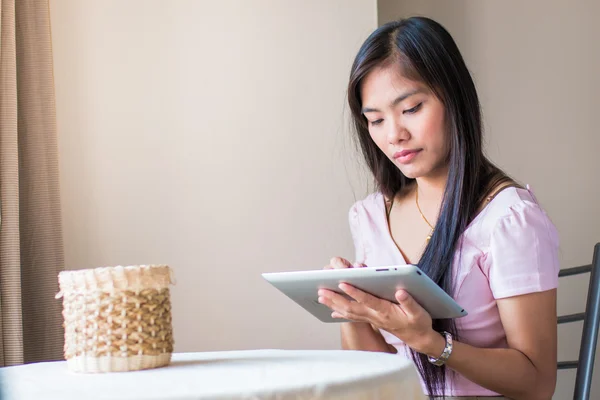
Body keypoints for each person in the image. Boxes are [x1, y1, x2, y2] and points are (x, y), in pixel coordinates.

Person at [317, 16, 559, 400]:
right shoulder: (370, 216)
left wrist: (430, 342)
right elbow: (376, 379)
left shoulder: (508, 219)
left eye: (411, 108)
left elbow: (538, 383)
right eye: (375, 120)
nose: (394, 134)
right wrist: (354, 309)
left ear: (453, 97)